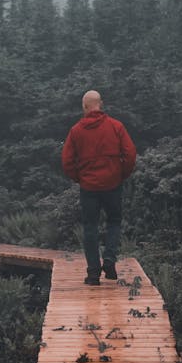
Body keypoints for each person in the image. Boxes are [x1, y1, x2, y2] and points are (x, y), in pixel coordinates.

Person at [61, 90, 137, 285]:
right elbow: (130, 154)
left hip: (89, 187)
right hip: (112, 184)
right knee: (114, 221)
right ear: (100, 104)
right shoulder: (116, 126)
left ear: (85, 107)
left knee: (90, 227)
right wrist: (121, 174)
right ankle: (110, 259)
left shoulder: (76, 131)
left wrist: (80, 178)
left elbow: (67, 161)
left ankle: (93, 273)